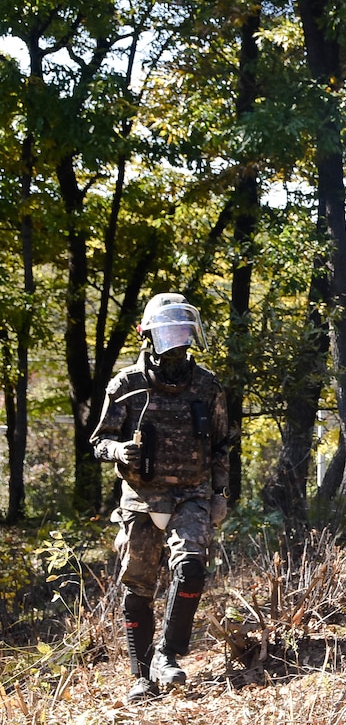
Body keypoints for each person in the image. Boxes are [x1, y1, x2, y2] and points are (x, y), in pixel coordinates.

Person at [90, 293, 230, 703]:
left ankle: (166, 656)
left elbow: (223, 444)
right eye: (169, 331)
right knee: (138, 586)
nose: (178, 341)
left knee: (190, 570)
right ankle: (141, 676)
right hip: (142, 498)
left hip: (193, 494)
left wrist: (219, 493)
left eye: (184, 332)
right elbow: (99, 441)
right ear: (150, 335)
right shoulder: (126, 385)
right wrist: (117, 451)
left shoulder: (207, 386)